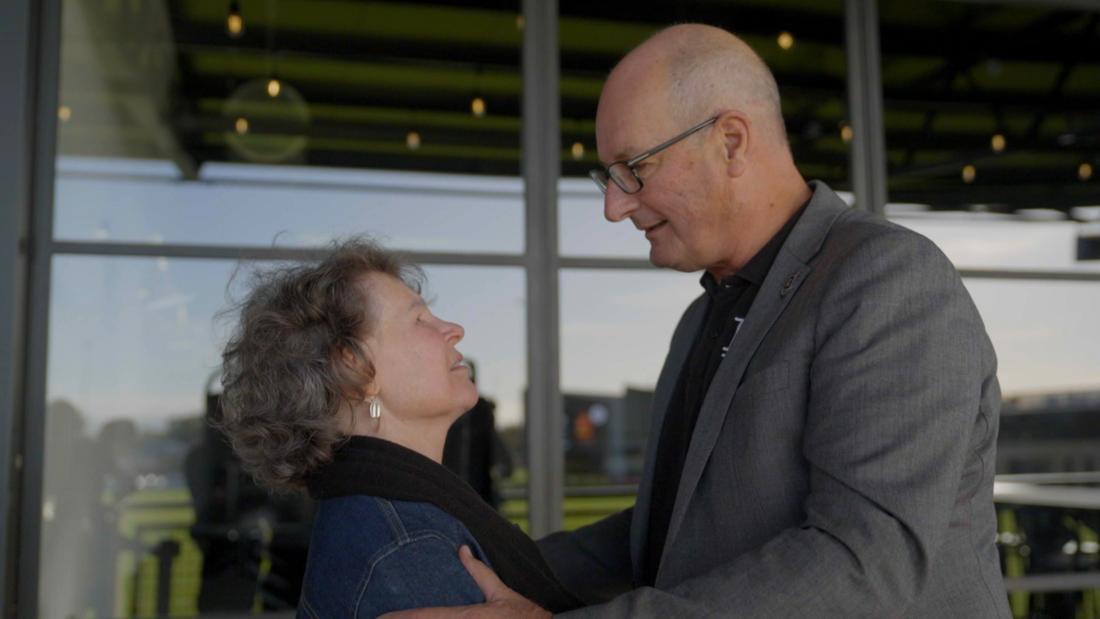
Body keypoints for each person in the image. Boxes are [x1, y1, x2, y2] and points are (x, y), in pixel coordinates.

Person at [397, 23, 1011, 618]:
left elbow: (863, 564)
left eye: (634, 168)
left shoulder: (889, 279)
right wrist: (469, 570)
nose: (614, 207)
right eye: (607, 178)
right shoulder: (702, 318)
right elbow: (667, 534)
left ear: (732, 142)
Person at [216, 238, 581, 618]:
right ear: (356, 367)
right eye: (420, 319)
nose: (454, 329)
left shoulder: (377, 512)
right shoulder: (410, 546)